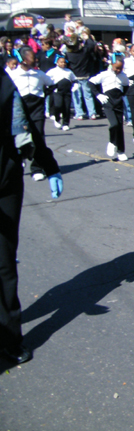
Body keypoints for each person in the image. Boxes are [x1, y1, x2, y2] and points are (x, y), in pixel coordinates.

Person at [1, 69, 63, 367]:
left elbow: (24, 124)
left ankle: (10, 340)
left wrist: (48, 164)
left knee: (4, 262)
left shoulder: (3, 81)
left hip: (6, 179)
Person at [8, 47, 53, 181]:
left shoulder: (39, 74)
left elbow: (51, 84)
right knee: (19, 136)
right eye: (31, 57)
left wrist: (45, 95)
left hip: (37, 107)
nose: (35, 59)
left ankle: (37, 168)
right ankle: (20, 157)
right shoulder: (12, 75)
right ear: (22, 60)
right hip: (20, 108)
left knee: (38, 136)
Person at [90, 53, 130, 161]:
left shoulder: (123, 76)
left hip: (118, 103)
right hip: (108, 102)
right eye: (116, 68)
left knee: (120, 127)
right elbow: (91, 83)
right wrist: (98, 95)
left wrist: (122, 95)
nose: (118, 70)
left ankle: (121, 151)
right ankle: (112, 142)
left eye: (121, 68)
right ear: (111, 64)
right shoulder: (104, 74)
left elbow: (126, 86)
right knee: (114, 124)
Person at [46, 55, 77, 131]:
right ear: (57, 63)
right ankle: (57, 119)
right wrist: (50, 87)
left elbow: (75, 80)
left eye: (64, 62)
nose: (63, 63)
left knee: (66, 108)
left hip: (67, 92)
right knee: (58, 105)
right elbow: (46, 79)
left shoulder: (69, 71)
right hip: (57, 91)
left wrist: (74, 88)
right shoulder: (52, 71)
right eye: (61, 62)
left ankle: (65, 124)